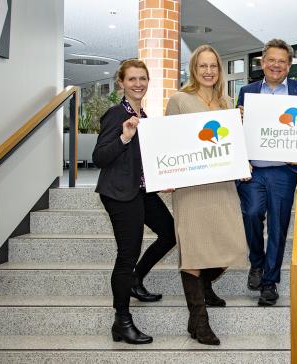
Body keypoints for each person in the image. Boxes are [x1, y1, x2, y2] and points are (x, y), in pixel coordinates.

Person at [165, 45, 249, 346]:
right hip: (190, 189)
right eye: (203, 66)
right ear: (194, 68)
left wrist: (242, 162)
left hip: (222, 185)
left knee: (234, 245)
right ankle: (200, 322)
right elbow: (168, 143)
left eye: (213, 65)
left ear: (220, 69)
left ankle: (197, 296)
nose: (209, 71)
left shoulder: (227, 102)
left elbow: (233, 144)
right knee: (194, 251)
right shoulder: (179, 100)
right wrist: (167, 176)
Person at [93, 59, 176, 344]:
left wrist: (163, 178)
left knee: (170, 233)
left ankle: (136, 279)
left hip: (142, 191)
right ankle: (122, 322)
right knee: (126, 254)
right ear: (121, 83)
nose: (138, 84)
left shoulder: (146, 117)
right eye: (132, 79)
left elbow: (147, 161)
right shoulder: (116, 114)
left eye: (142, 78)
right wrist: (124, 138)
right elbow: (100, 157)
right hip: (119, 194)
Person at [236, 39, 297, 306]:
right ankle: (256, 263)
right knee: (252, 214)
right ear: (262, 62)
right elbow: (237, 132)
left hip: (284, 170)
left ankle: (269, 283)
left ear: (289, 65)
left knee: (279, 227)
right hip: (253, 170)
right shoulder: (247, 91)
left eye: (282, 61)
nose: (276, 65)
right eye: (271, 60)